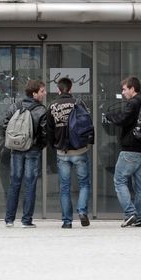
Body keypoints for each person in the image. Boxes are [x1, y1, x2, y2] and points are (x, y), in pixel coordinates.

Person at [105, 76, 141, 227]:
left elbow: (123, 119)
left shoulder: (134, 103)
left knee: (119, 180)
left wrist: (109, 116)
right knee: (140, 186)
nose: (123, 92)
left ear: (133, 89)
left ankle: (130, 213)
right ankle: (139, 219)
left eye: (125, 89)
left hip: (130, 149)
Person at [46, 77, 93, 229]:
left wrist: (54, 147)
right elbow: (88, 125)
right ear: (71, 89)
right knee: (84, 184)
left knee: (64, 187)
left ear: (58, 90)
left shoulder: (52, 106)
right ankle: (82, 211)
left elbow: (49, 130)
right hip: (80, 149)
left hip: (62, 152)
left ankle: (67, 221)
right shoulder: (78, 104)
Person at [2, 79, 47, 228]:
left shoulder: (15, 106)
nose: (44, 93)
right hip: (32, 150)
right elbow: (45, 133)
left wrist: (14, 141)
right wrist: (38, 145)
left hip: (16, 149)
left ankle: (9, 219)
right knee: (30, 184)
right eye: (42, 91)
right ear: (34, 94)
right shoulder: (41, 110)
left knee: (14, 183)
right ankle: (26, 220)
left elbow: (5, 125)